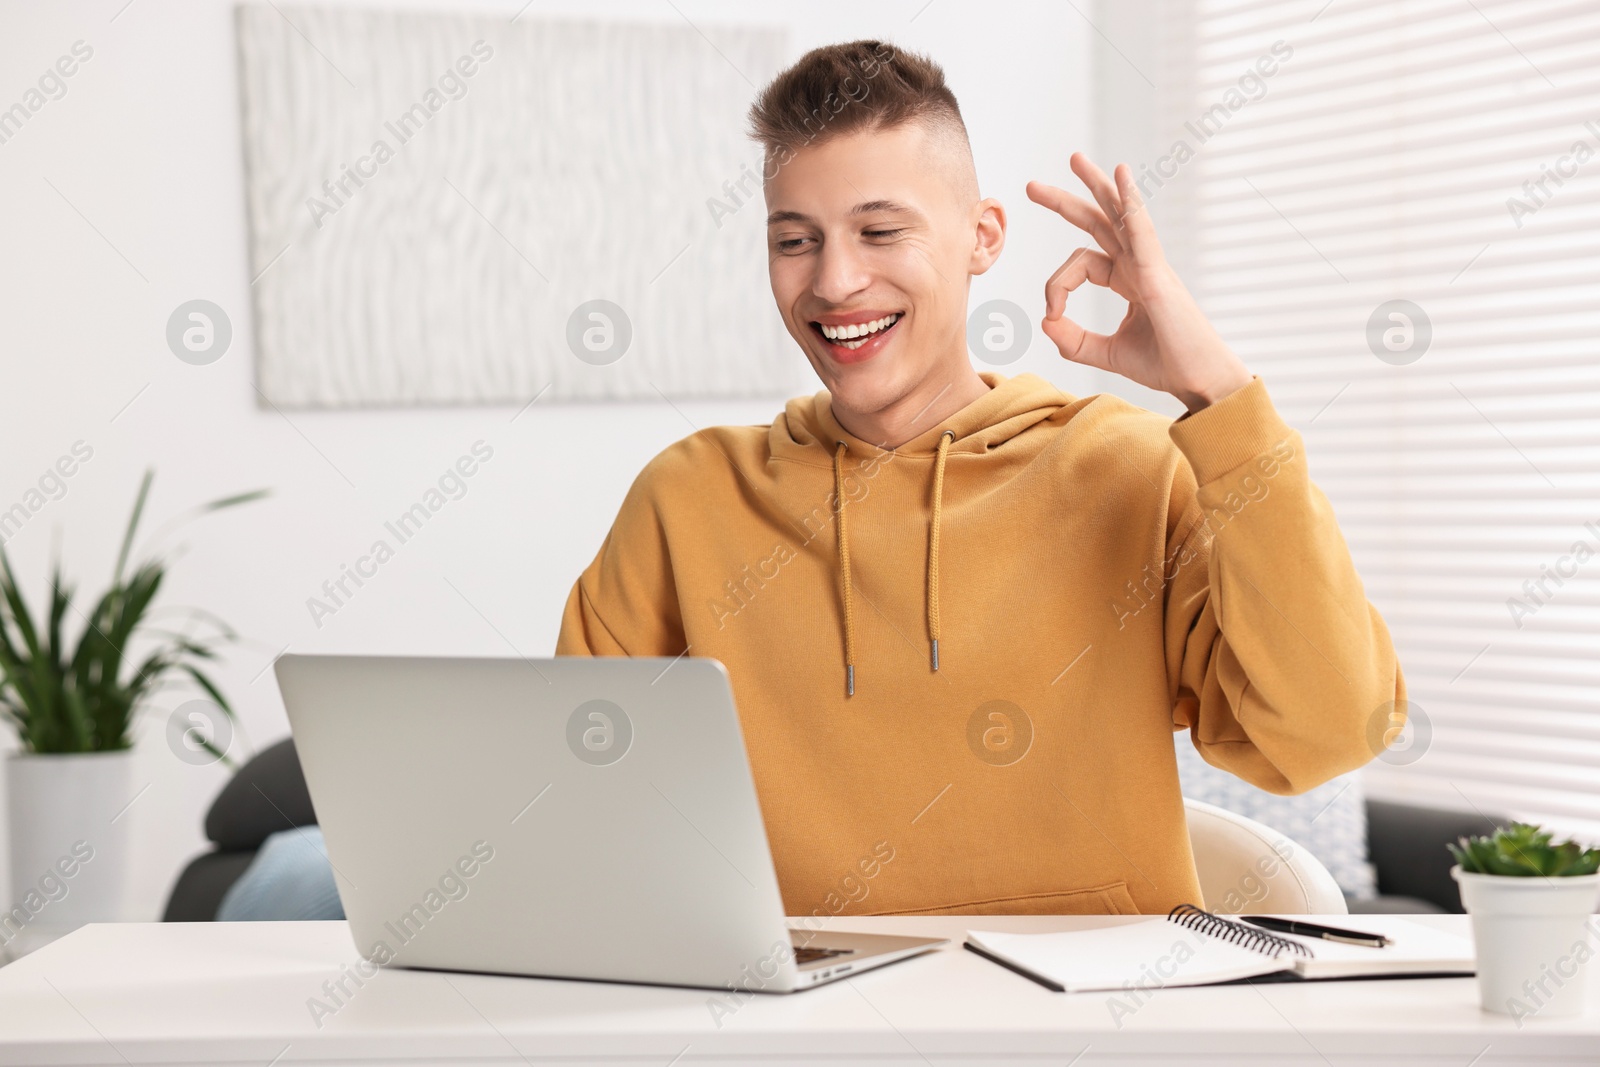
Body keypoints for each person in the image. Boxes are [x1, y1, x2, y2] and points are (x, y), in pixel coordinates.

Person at [559, 38, 1404, 919]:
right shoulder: (690, 497)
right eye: (794, 240)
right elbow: (575, 803)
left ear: (982, 237)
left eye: (881, 231)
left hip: (1087, 1029)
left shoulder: (1127, 473)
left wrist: (1219, 395)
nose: (836, 281)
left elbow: (1329, 731)